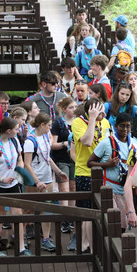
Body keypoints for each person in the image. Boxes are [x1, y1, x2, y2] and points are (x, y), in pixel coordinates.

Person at [0, 117, 31, 256]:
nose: (18, 131)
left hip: (13, 184)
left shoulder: (14, 141)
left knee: (18, 215)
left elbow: (19, 159)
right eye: (16, 129)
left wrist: (18, 171)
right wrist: (1, 178)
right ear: (8, 131)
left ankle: (21, 248)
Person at [71, 99, 111, 252]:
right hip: (84, 172)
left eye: (103, 111)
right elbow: (87, 141)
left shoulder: (106, 122)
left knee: (100, 209)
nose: (103, 114)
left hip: (103, 171)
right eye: (99, 111)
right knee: (88, 211)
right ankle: (85, 246)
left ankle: (96, 244)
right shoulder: (78, 122)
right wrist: (92, 119)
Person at [25, 113, 68, 252]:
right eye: (49, 125)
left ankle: (46, 239)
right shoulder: (30, 141)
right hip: (33, 179)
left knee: (47, 209)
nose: (50, 128)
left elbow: (47, 158)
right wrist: (36, 181)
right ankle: (21, 236)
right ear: (42, 125)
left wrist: (58, 171)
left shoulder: (45, 137)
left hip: (47, 177)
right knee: (28, 209)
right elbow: (27, 164)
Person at [88, 112, 134, 231]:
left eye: (128, 126)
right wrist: (106, 164)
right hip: (109, 189)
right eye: (122, 126)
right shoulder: (106, 143)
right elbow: (90, 163)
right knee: (113, 222)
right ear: (116, 126)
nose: (125, 129)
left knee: (123, 226)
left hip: (124, 191)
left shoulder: (133, 144)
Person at [51, 97, 78, 235]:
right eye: (71, 107)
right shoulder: (58, 124)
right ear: (64, 109)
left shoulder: (78, 122)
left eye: (75, 107)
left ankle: (72, 216)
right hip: (61, 158)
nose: (74, 109)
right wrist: (65, 144)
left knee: (73, 188)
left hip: (75, 159)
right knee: (64, 188)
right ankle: (65, 218)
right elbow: (52, 144)